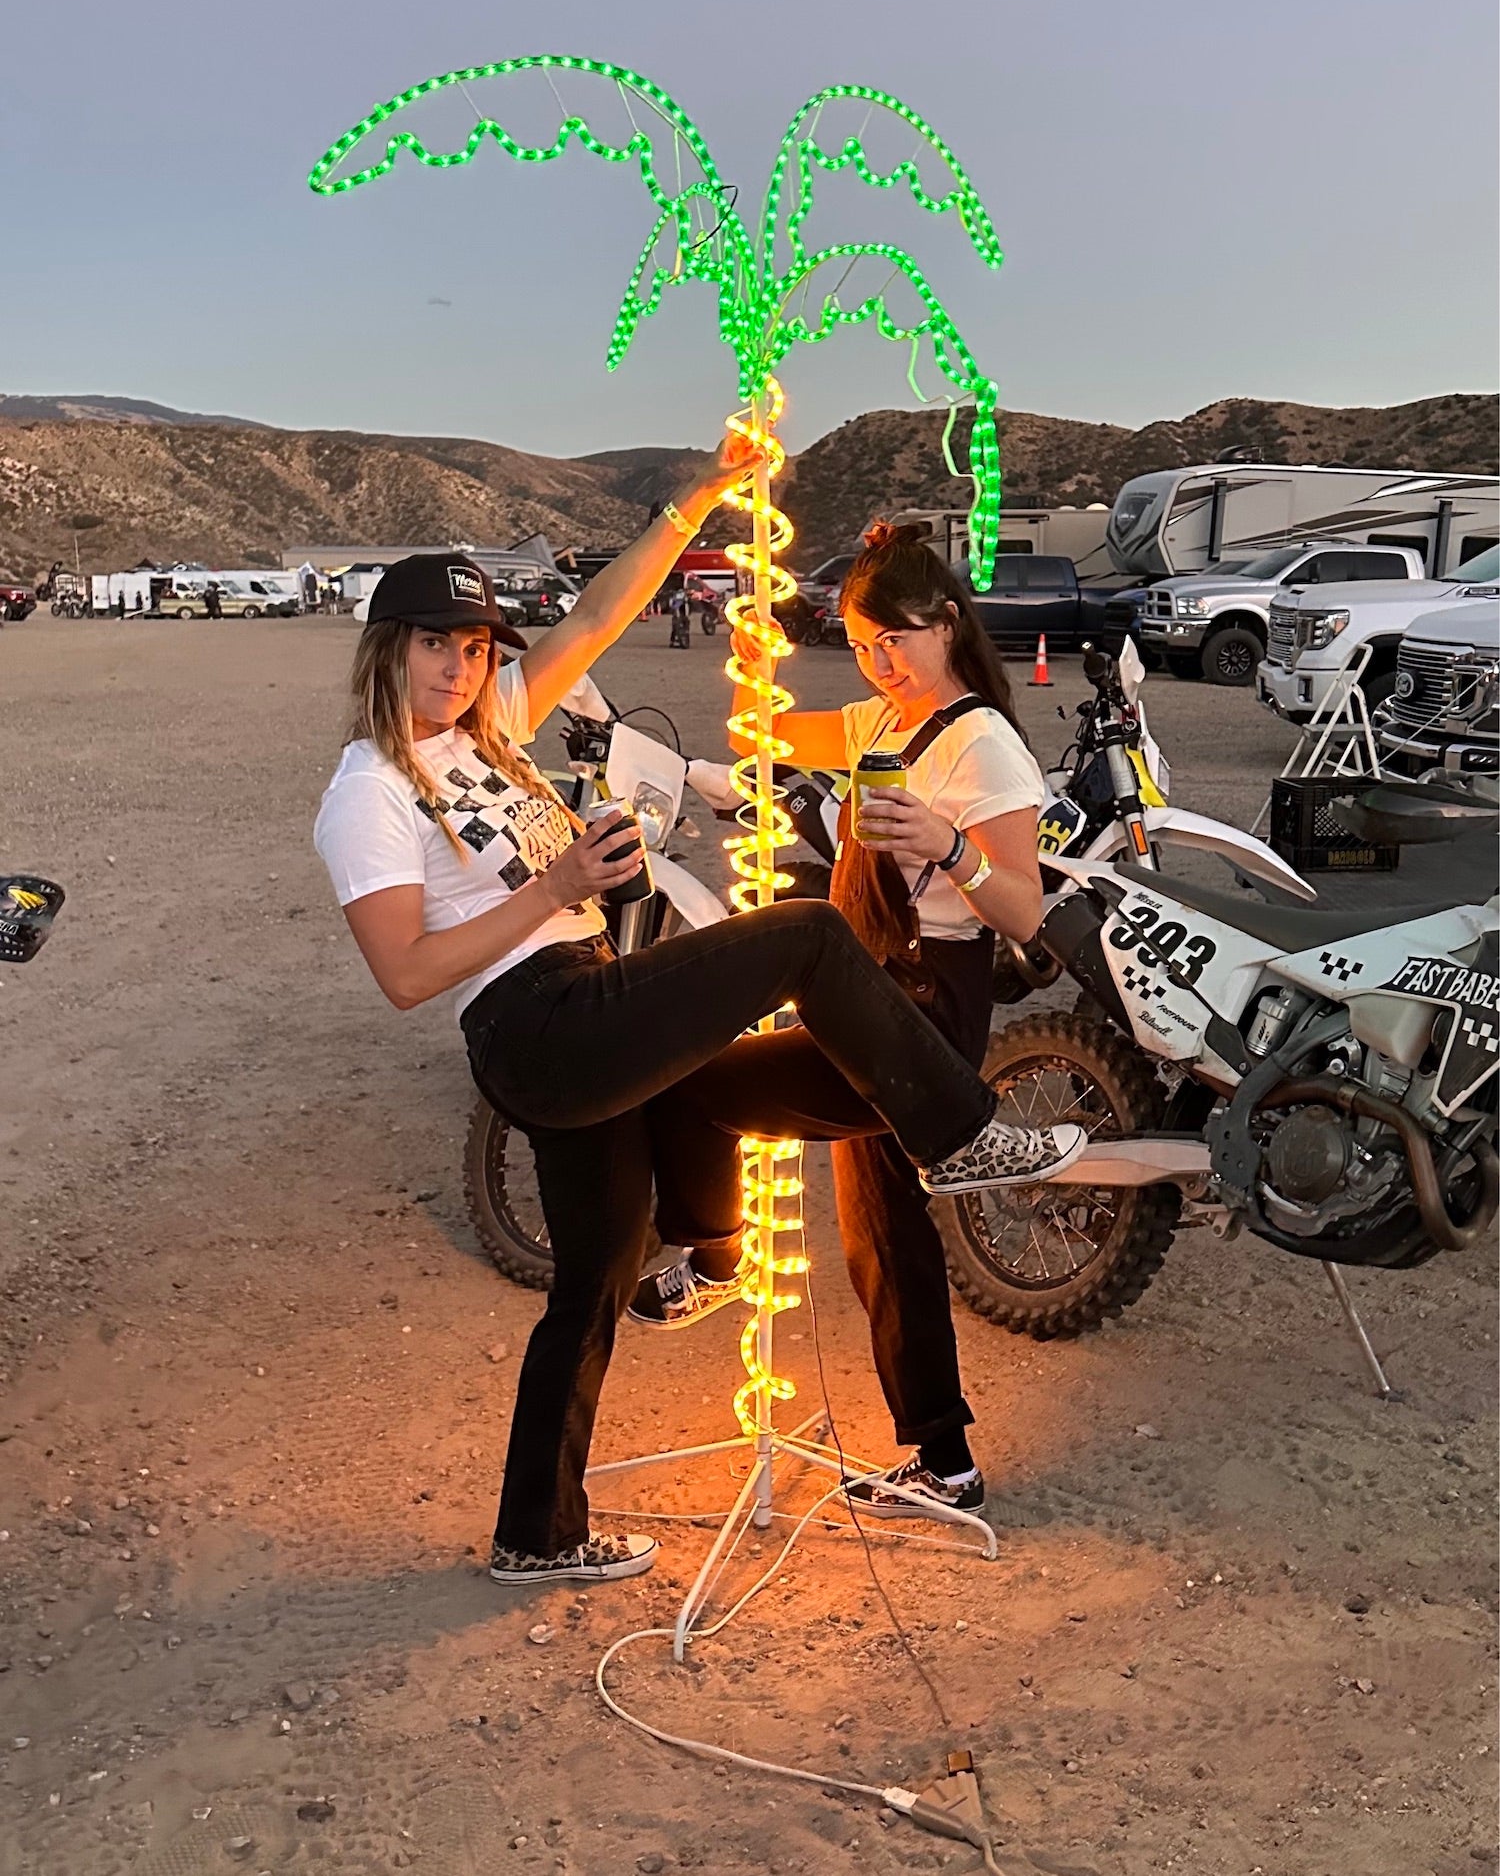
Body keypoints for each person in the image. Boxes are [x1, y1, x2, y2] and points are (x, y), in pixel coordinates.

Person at [312, 456, 1085, 1590]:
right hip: (541, 1016)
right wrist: (552, 882)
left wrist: (696, 504)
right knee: (807, 936)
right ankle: (957, 1129)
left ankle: (537, 1527)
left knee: (596, 1274)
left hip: (577, 1002)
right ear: (389, 649)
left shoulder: (497, 729)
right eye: (436, 642)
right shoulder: (368, 789)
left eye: (476, 645)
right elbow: (406, 972)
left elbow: (594, 612)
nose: (459, 664)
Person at [633, 521, 1049, 1520]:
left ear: (947, 621)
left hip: (924, 1015)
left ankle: (719, 1255)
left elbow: (1028, 914)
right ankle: (947, 1465)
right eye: (862, 645)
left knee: (700, 1081)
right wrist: (745, 664)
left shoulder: (983, 741)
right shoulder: (881, 723)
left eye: (894, 640)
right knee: (882, 1233)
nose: (880, 663)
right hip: (867, 992)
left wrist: (952, 847)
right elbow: (765, 735)